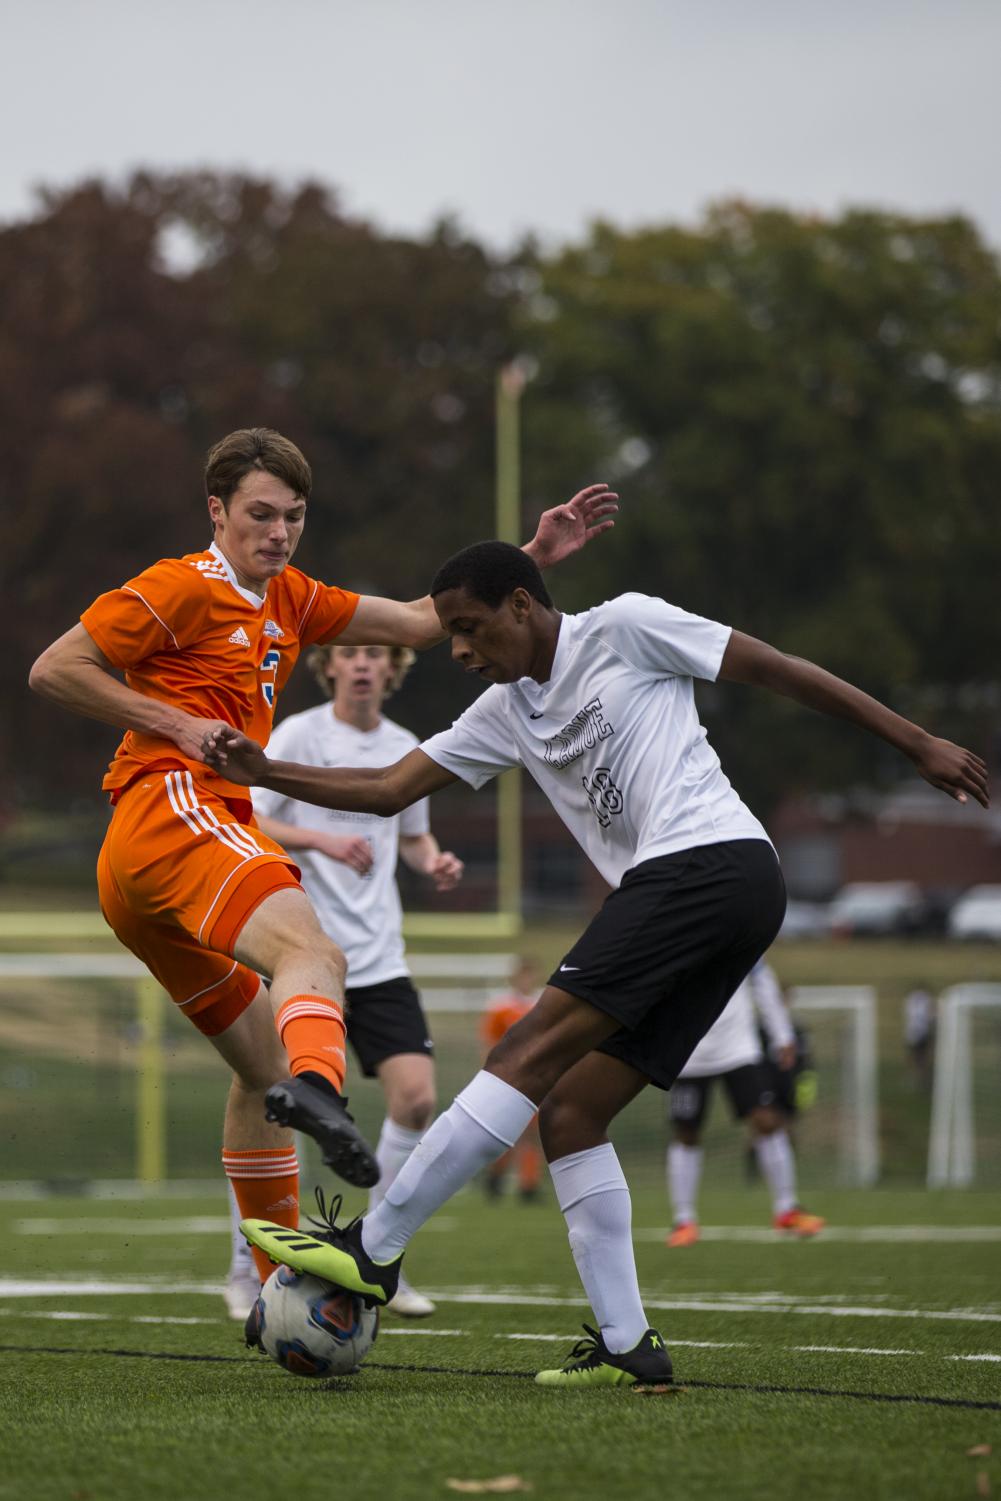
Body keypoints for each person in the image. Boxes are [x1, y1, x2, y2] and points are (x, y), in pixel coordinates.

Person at [206, 539, 988, 1393]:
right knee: (572, 1111)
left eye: (468, 628)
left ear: (519, 604)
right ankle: (628, 1345)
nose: (460, 650)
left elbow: (778, 669)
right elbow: (392, 786)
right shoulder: (504, 711)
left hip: (709, 862)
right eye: (449, 635)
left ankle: (375, 1247)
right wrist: (265, 770)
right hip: (717, 893)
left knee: (523, 1055)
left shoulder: (624, 626)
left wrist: (916, 741)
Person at [27, 430, 617, 1289]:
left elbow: (420, 620)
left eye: (293, 516)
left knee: (256, 1068)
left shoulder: (293, 598)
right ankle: (324, 1095)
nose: (278, 532)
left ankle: (273, 1286)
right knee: (315, 955)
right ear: (217, 511)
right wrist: (180, 724)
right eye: (260, 514)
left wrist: (528, 557)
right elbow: (55, 668)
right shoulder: (181, 586)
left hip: (154, 857)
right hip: (172, 808)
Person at [224, 639, 463, 1321]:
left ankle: (378, 1253)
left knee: (416, 1100)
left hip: (380, 960)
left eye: (375, 654)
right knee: (272, 1104)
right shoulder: (297, 734)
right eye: (350, 653)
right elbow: (248, 816)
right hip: (301, 954)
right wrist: (323, 841)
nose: (362, 663)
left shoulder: (404, 743)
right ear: (328, 666)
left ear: (392, 669)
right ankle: (247, 1269)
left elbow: (412, 835)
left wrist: (434, 860)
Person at [666, 957, 825, 1247]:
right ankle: (684, 1219)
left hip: (738, 1048)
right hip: (690, 1051)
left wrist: (782, 1035)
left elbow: (763, 980)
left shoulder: (740, 929)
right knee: (686, 1132)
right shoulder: (678, 932)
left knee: (767, 1119)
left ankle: (786, 1209)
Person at [480, 959, 543, 1202]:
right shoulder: (501, 1007)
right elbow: (488, 1042)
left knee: (531, 1133)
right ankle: (495, 1177)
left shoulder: (541, 1004)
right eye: (523, 976)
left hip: (535, 1075)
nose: (527, 981)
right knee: (504, 1130)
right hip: (506, 1077)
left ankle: (529, 1184)